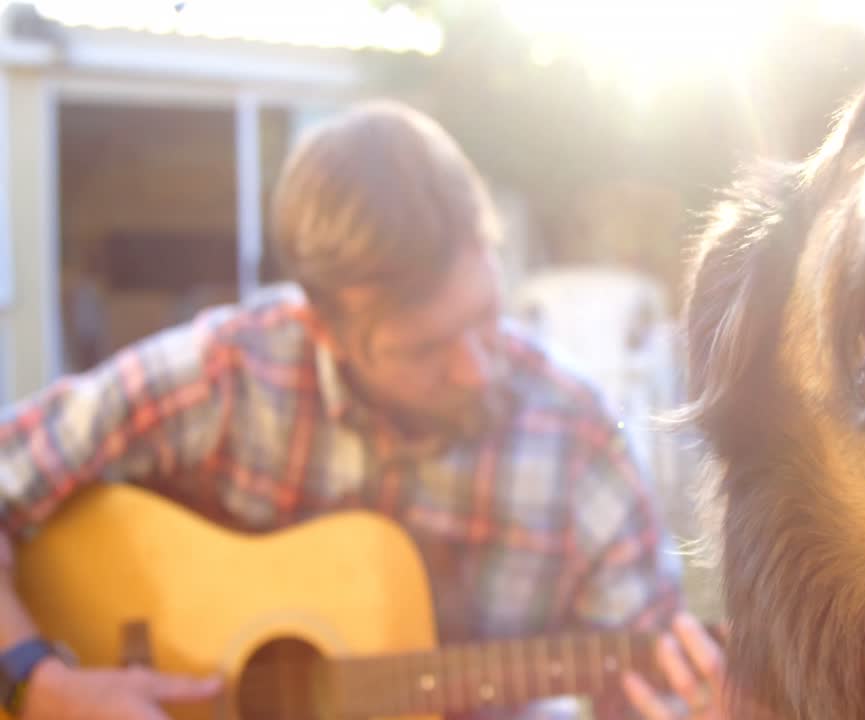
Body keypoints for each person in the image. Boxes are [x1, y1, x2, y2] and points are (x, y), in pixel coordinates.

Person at [0, 100, 731, 720]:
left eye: (485, 316)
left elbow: (651, 675)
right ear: (323, 330)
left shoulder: (580, 442)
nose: (476, 368)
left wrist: (698, 700)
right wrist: (38, 678)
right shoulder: (226, 376)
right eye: (423, 349)